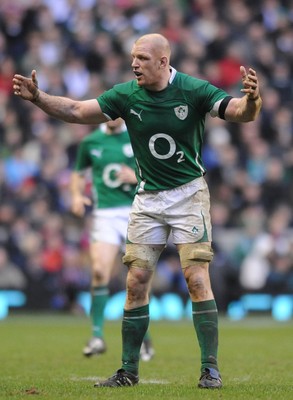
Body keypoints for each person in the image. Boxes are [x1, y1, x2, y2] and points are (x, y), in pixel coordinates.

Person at [13, 33, 262, 389]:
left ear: (163, 61)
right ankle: (128, 371)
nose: (134, 64)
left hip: (189, 195)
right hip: (148, 199)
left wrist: (253, 99)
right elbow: (76, 110)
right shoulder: (126, 95)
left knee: (196, 279)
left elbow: (240, 112)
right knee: (135, 284)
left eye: (142, 58)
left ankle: (210, 368)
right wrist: (38, 97)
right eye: (133, 57)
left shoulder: (193, 90)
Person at [69, 117, 154, 361]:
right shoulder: (91, 142)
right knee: (98, 271)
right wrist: (76, 195)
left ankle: (145, 339)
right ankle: (97, 336)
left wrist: (137, 176)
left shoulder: (137, 135)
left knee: (138, 279)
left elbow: (157, 170)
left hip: (135, 211)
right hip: (104, 213)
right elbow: (78, 174)